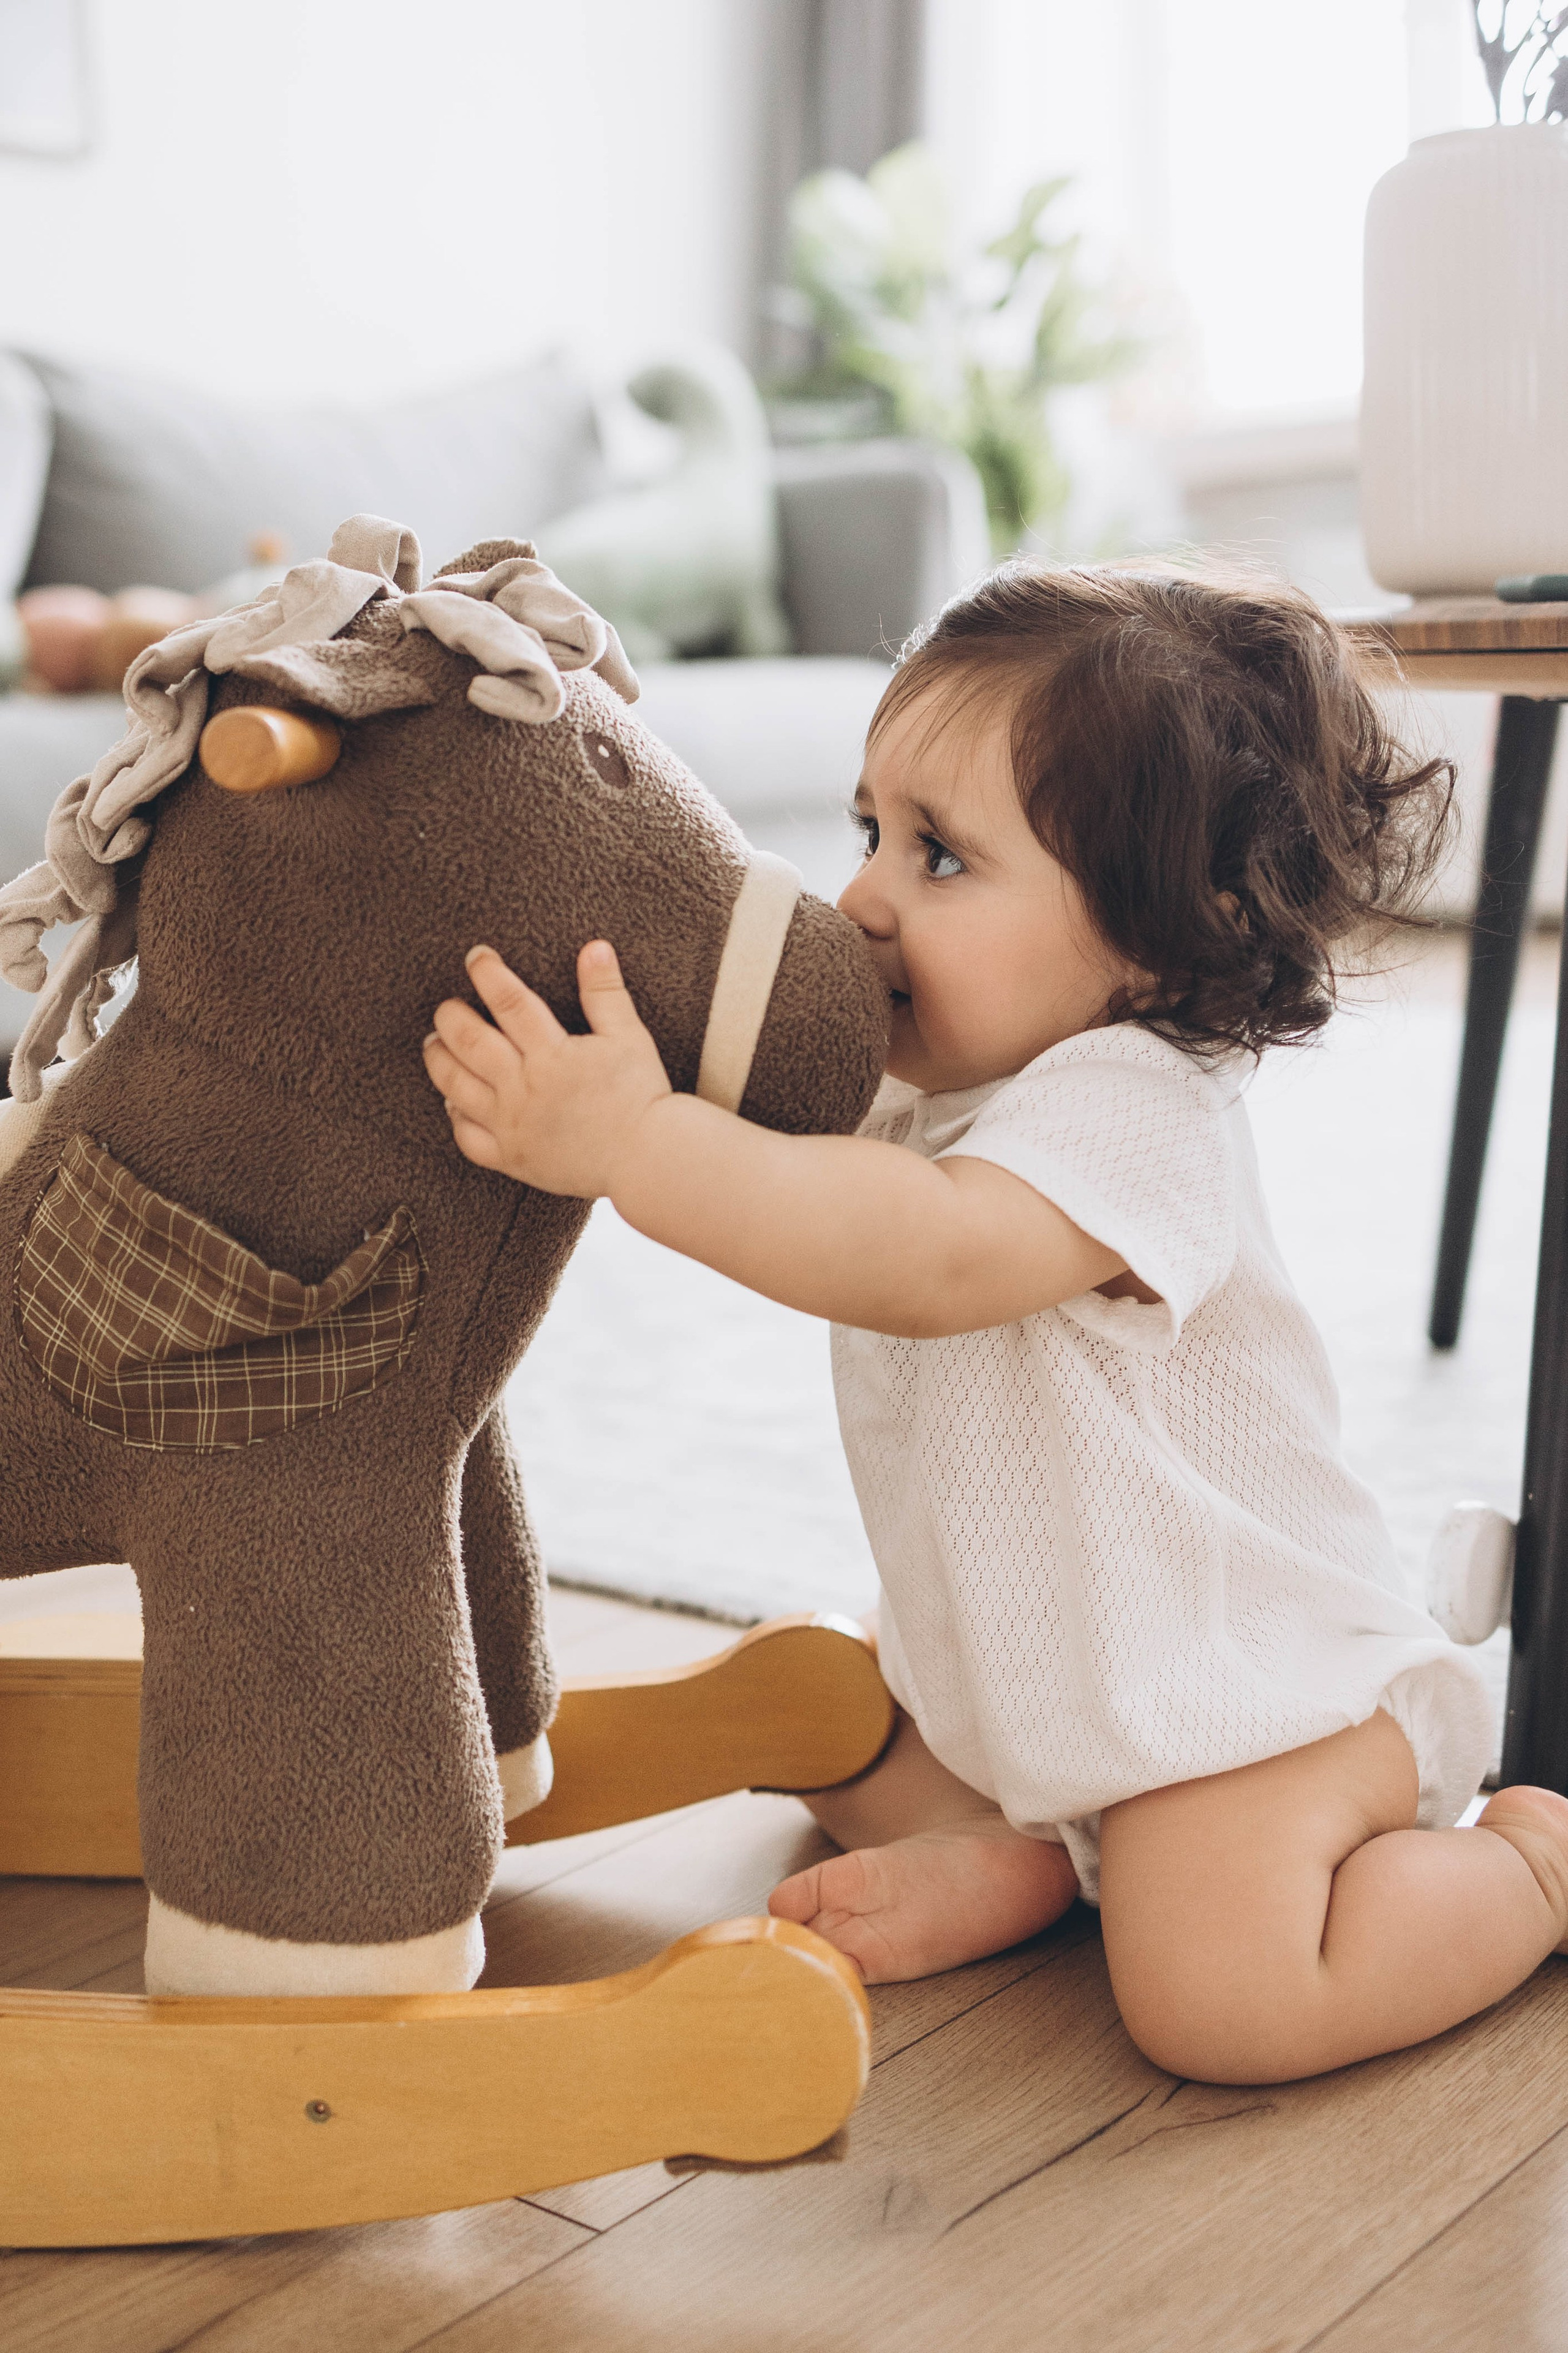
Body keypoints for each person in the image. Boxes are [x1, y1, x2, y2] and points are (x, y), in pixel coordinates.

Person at [422, 562, 1568, 2085]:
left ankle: (1525, 1866)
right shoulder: (932, 1075)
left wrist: (635, 1144)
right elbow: (774, 1140)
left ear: (1161, 944)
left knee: (1215, 2003)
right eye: (868, 831)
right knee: (839, 1730)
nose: (866, 895)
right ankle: (1035, 1858)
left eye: (942, 858)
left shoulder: (1132, 1106)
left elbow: (925, 1256)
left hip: (1237, 1708)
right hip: (1037, 1689)